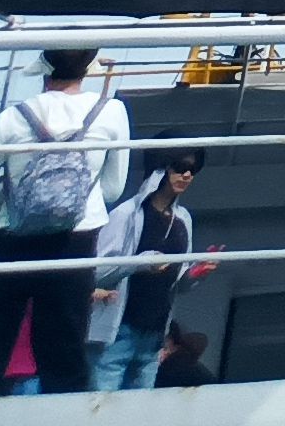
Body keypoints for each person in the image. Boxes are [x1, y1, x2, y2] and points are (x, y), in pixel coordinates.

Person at [0, 47, 127, 393]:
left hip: (12, 236)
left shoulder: (12, 117)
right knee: (64, 350)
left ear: (43, 70)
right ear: (88, 69)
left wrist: (18, 188)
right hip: (76, 237)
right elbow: (112, 189)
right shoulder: (111, 111)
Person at [88, 152, 213, 391]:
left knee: (142, 407)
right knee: (103, 404)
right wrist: (141, 262)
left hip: (155, 335)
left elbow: (179, 282)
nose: (187, 175)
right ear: (160, 167)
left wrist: (196, 274)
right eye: (179, 167)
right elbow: (95, 272)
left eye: (194, 169)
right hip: (119, 331)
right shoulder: (126, 214)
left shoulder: (183, 219)